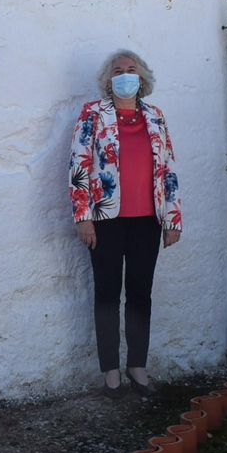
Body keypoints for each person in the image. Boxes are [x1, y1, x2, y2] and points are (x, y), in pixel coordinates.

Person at [68, 51, 182, 397]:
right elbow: (78, 164)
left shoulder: (156, 117)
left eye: (131, 70)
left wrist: (173, 218)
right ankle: (111, 372)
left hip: (148, 220)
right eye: (118, 71)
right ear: (108, 80)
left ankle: (137, 366)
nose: (125, 75)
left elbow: (169, 169)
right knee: (106, 294)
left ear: (142, 78)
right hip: (105, 220)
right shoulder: (93, 114)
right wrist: (83, 217)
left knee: (140, 294)